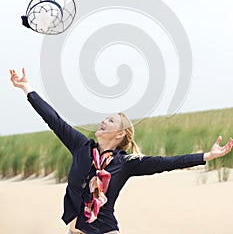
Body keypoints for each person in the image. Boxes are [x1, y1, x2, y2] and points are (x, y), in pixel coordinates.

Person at [10, 68, 233, 234]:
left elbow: (166, 162)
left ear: (119, 134)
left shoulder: (127, 162)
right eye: (105, 118)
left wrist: (207, 156)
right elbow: (53, 119)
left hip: (106, 230)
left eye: (110, 120)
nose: (103, 121)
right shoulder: (81, 146)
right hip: (76, 230)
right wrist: (26, 88)